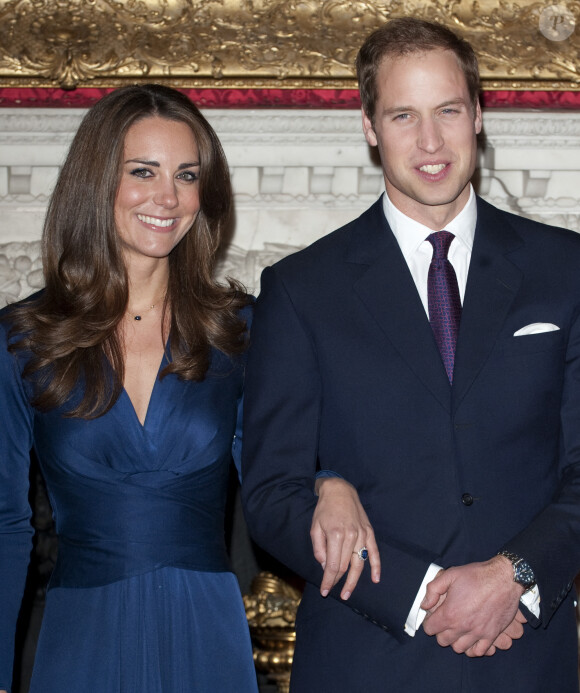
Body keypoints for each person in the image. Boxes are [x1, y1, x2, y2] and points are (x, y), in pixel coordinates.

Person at [241, 17, 580, 693]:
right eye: (403, 116)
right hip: (365, 659)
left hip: (526, 659)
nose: (431, 142)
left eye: (448, 111)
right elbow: (271, 492)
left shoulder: (565, 269)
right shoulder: (303, 288)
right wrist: (420, 592)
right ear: (369, 127)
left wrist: (513, 574)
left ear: (478, 115)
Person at [0, 84, 365, 693]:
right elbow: (5, 523)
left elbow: (281, 471)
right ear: (97, 182)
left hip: (207, 632)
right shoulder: (23, 340)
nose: (167, 197)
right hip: (79, 639)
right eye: (143, 171)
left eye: (187, 175)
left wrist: (332, 481)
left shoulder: (239, 330)